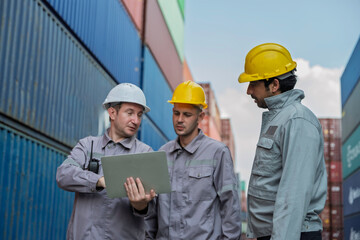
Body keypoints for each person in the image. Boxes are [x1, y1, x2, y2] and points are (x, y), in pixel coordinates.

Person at [237, 43, 327, 240]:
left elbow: (293, 197)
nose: (249, 90)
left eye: (253, 83)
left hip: (293, 233)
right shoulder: (281, 119)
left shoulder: (297, 121)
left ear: (274, 85)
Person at [56, 83, 156, 240]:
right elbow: (63, 175)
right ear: (112, 113)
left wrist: (141, 205)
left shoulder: (145, 153)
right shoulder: (88, 146)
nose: (135, 120)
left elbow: (150, 210)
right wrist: (99, 181)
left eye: (139, 115)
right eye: (130, 113)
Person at [145, 81, 242, 239]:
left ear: (201, 116)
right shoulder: (162, 153)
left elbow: (230, 208)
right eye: (176, 113)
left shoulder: (217, 153)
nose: (180, 120)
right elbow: (153, 211)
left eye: (187, 114)